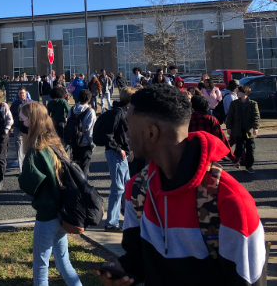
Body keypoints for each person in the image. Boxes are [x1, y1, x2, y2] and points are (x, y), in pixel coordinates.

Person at [95, 84, 267, 286]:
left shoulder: (230, 201)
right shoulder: (137, 191)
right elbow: (137, 262)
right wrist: (122, 272)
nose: (126, 134)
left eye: (129, 126)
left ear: (151, 134)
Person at [18, 103, 83, 286]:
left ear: (32, 120)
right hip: (62, 213)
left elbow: (29, 182)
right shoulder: (54, 143)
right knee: (64, 262)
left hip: (47, 215)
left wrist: (21, 178)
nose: (20, 122)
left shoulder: (35, 149)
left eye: (22, 118)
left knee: (40, 264)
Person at [98, 87, 136, 232]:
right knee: (118, 188)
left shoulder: (122, 112)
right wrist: (119, 149)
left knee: (126, 187)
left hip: (121, 154)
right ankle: (112, 222)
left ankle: (127, 218)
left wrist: (127, 150)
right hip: (116, 154)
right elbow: (107, 134)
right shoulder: (118, 113)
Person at [226, 85, 261, 173]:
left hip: (249, 129)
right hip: (238, 129)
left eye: (238, 91)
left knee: (250, 148)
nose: (237, 93)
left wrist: (255, 127)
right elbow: (230, 116)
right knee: (239, 148)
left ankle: (249, 166)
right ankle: (235, 160)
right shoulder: (234, 104)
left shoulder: (253, 104)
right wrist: (229, 127)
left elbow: (256, 116)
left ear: (244, 93)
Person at [67, 89, 96, 179]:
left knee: (75, 168)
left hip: (73, 142)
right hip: (85, 144)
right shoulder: (90, 111)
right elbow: (89, 130)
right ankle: (83, 188)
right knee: (84, 169)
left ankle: (75, 188)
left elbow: (68, 124)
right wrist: (92, 144)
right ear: (89, 99)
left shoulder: (72, 109)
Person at [10, 86, 34, 170]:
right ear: (18, 94)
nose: (21, 94)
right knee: (19, 147)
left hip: (28, 128)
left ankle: (30, 167)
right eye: (20, 93)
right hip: (18, 127)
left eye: (23, 93)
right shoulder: (15, 104)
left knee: (29, 147)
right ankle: (22, 169)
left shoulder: (30, 103)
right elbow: (11, 115)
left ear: (26, 93)